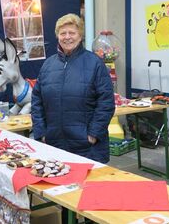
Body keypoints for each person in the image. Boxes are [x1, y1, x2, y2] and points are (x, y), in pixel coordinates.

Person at [31, 13, 115, 164]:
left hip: (87, 148)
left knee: (88, 187)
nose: (67, 37)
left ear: (80, 35)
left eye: (72, 32)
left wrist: (93, 134)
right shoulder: (48, 65)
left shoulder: (94, 63)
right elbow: (36, 101)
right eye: (63, 33)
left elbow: (106, 102)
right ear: (57, 36)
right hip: (54, 145)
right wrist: (41, 133)